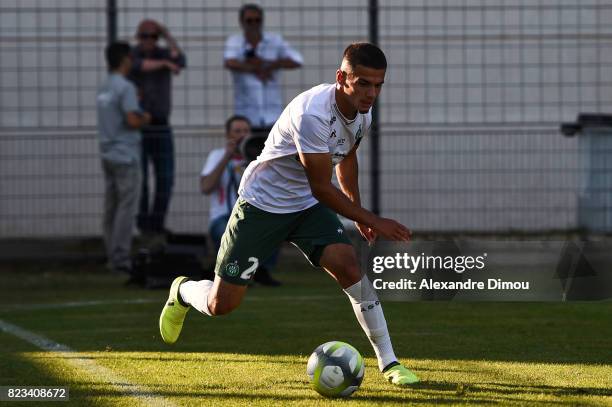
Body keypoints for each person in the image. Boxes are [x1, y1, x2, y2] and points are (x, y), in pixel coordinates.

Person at [160, 43, 419, 386]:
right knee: (221, 304)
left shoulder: (363, 112)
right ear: (342, 78)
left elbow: (348, 156)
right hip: (262, 206)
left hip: (306, 208)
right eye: (364, 84)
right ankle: (183, 291)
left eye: (378, 85)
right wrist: (372, 219)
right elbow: (321, 188)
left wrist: (356, 209)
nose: (372, 93)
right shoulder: (312, 113)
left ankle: (390, 363)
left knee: (350, 268)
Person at [200, 115, 281, 286]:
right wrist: (227, 157)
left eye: (246, 131)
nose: (242, 135)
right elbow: (206, 187)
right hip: (223, 216)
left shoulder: (259, 157)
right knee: (228, 231)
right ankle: (233, 273)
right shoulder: (217, 155)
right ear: (227, 135)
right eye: (237, 131)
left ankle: (260, 271)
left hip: (252, 213)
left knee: (275, 227)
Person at [130, 19, 186, 245]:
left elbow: (181, 61)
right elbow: (136, 65)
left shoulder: (164, 51)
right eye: (145, 36)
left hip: (161, 123)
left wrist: (167, 34)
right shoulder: (131, 54)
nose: (149, 41)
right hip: (138, 124)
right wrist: (163, 63)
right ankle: (143, 225)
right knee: (140, 178)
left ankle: (157, 223)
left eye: (154, 36)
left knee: (165, 177)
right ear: (138, 37)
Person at [96, 42, 151, 273]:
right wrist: (146, 117)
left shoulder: (104, 86)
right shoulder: (126, 87)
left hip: (107, 152)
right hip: (126, 154)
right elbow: (132, 120)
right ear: (125, 59)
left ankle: (111, 253)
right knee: (126, 208)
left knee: (112, 206)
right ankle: (120, 258)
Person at [224, 4, 303, 135]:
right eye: (249, 21)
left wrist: (269, 65)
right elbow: (229, 62)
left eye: (257, 20)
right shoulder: (235, 42)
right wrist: (258, 69)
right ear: (242, 22)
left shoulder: (274, 41)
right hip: (246, 117)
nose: (253, 24)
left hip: (273, 116)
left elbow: (297, 60)